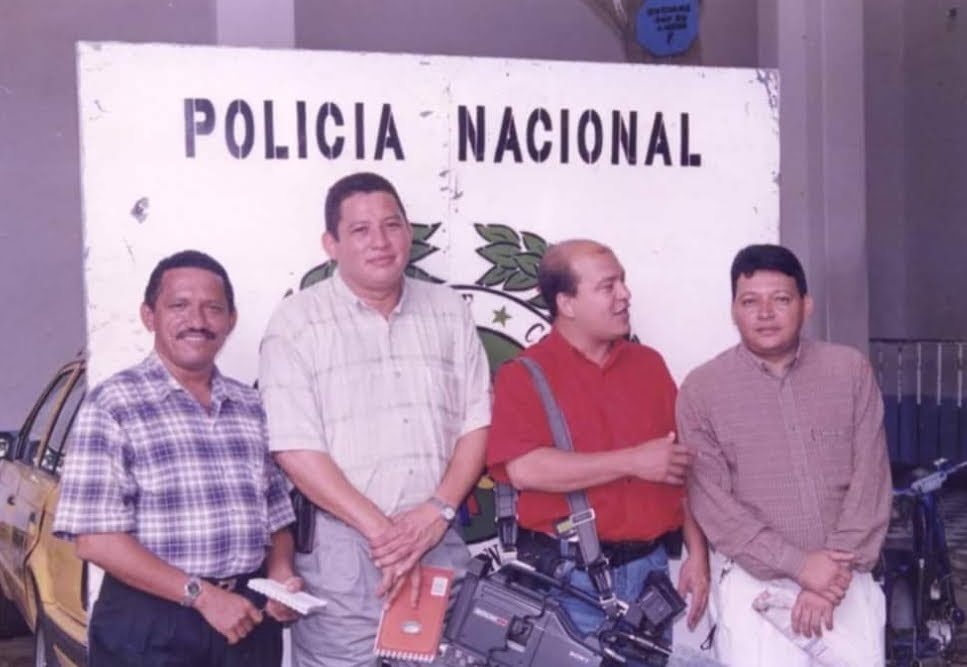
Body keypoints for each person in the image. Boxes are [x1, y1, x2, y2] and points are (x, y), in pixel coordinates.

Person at [258, 171, 491, 667]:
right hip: (343, 553)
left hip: (437, 538)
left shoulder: (449, 311)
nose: (380, 242)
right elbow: (295, 448)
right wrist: (387, 538)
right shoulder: (297, 322)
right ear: (331, 244)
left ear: (409, 233)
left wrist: (436, 514)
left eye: (392, 225)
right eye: (360, 230)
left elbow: (476, 423)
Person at [53, 250, 299, 667]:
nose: (198, 320)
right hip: (151, 623)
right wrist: (202, 597)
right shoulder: (113, 404)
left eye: (213, 308)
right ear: (149, 316)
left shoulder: (250, 406)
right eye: (179, 306)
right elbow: (95, 539)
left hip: (246, 620)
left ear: (231, 320)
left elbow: (276, 519)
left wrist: (280, 574)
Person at [676, 244, 892, 666]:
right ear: (733, 310)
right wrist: (799, 565)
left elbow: (872, 476)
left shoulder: (849, 371)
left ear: (806, 305)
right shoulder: (703, 389)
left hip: (845, 585)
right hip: (756, 587)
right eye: (749, 301)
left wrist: (828, 575)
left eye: (781, 299)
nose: (765, 313)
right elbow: (713, 504)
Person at [486, 238, 710, 643]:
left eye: (622, 282)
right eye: (608, 287)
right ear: (567, 303)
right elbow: (523, 469)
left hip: (650, 576)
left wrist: (697, 553)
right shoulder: (524, 375)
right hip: (567, 583)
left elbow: (680, 468)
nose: (625, 295)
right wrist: (631, 462)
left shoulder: (649, 365)